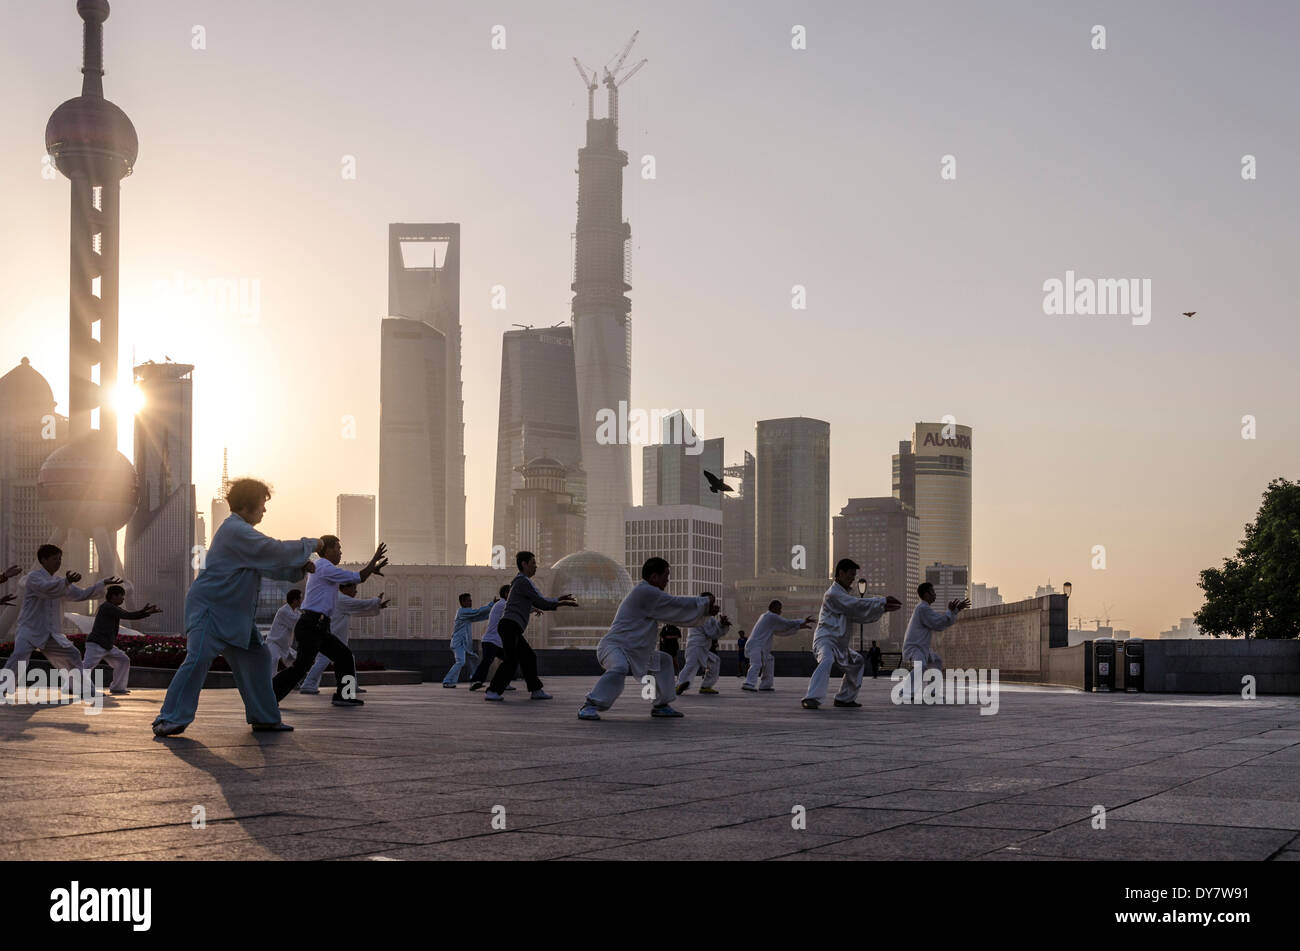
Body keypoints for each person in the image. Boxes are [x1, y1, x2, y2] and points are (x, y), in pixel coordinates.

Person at [152, 479, 316, 736]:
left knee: (259, 658)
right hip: (211, 610)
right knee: (197, 660)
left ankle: (264, 718)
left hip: (235, 616)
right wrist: (313, 544)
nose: (264, 510)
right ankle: (170, 718)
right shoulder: (236, 530)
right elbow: (272, 549)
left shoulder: (240, 533)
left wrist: (298, 568)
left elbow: (268, 564)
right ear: (248, 504)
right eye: (262, 504)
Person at [577, 558, 718, 721]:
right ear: (654, 577)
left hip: (636, 650)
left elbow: (674, 615)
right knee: (619, 667)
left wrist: (705, 612)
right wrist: (705, 602)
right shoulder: (645, 592)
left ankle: (661, 705)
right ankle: (590, 704)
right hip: (614, 647)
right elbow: (675, 603)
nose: (668, 579)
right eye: (666, 575)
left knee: (663, 661)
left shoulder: (652, 598)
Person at [273, 535, 387, 707]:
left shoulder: (325, 569)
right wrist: (373, 562)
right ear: (328, 550)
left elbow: (353, 580)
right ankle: (268, 696)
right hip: (312, 625)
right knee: (301, 668)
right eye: (338, 549)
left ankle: (345, 696)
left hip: (319, 626)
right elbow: (359, 577)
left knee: (344, 656)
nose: (340, 553)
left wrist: (370, 570)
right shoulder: (323, 566)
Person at [2, 546, 121, 698]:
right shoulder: (34, 578)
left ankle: (83, 689)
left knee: (73, 654)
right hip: (29, 629)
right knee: (18, 656)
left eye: (60, 559)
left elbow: (82, 594)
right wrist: (66, 582)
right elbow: (46, 589)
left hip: (51, 632)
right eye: (54, 559)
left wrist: (102, 583)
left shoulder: (61, 582)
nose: (58, 562)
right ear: (44, 560)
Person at [801, 558, 901, 710]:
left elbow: (858, 614)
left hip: (839, 643)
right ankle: (811, 697)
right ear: (840, 573)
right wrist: (882, 601)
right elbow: (855, 605)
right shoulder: (833, 594)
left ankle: (845, 698)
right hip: (825, 640)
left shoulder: (843, 595)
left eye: (854, 576)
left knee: (857, 662)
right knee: (826, 660)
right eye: (850, 575)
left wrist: (883, 608)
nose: (852, 579)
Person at [484, 551, 577, 701]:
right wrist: (561, 603)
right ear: (524, 564)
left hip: (511, 626)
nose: (536, 567)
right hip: (509, 625)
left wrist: (558, 599)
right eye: (533, 563)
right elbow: (540, 602)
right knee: (511, 659)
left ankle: (536, 690)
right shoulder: (522, 581)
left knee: (528, 656)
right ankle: (493, 690)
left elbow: (539, 600)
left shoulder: (521, 582)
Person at [299, 582, 388, 694]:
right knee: (324, 660)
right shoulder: (340, 599)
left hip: (335, 638)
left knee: (343, 659)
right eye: (354, 588)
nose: (356, 591)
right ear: (345, 588)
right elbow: (359, 605)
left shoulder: (340, 600)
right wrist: (376, 601)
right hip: (332, 638)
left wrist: (377, 606)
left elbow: (357, 611)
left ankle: (350, 686)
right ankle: (308, 685)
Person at [81, 584, 161, 695]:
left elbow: (127, 614)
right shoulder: (107, 607)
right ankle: (80, 687)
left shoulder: (113, 608)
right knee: (86, 666)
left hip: (107, 645)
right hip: (97, 644)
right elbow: (127, 615)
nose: (123, 599)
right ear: (113, 596)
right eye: (121, 596)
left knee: (123, 660)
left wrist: (144, 612)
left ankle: (117, 687)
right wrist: (145, 612)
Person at [900, 583, 970, 699]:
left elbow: (940, 622)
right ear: (926, 594)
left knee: (936, 661)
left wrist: (955, 610)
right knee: (920, 666)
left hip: (922, 648)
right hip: (914, 647)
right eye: (932, 592)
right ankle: (905, 692)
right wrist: (951, 611)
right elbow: (938, 623)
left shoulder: (924, 608)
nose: (935, 594)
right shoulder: (922, 608)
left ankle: (932, 692)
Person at [742, 600, 814, 692]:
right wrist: (803, 620)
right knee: (757, 664)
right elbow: (787, 623)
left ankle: (766, 685)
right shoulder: (770, 616)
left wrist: (799, 627)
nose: (781, 611)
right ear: (773, 608)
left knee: (769, 660)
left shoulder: (768, 618)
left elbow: (781, 631)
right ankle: (749, 683)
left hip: (760, 646)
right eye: (779, 608)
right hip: (756, 645)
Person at [675, 602, 728, 695]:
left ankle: (706, 686)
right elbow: (712, 633)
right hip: (696, 646)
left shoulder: (709, 618)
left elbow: (717, 631)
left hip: (702, 648)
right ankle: (679, 685)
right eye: (713, 606)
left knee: (714, 661)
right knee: (691, 666)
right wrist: (721, 625)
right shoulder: (702, 617)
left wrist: (722, 624)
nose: (716, 608)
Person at [443, 592, 493, 687]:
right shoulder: (462, 612)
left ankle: (474, 680)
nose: (470, 602)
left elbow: (479, 616)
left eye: (471, 601)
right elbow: (477, 612)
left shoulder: (467, 615)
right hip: (458, 644)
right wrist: (491, 605)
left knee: (474, 659)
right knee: (460, 662)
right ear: (462, 602)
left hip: (465, 644)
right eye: (468, 601)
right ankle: (447, 681)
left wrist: (492, 611)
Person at [469, 584, 514, 691]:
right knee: (487, 661)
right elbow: (517, 609)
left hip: (496, 641)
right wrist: (533, 608)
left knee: (509, 660)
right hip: (491, 640)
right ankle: (476, 681)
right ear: (506, 594)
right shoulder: (503, 604)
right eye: (511, 592)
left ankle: (503, 682)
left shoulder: (501, 604)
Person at [265, 588, 302, 674]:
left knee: (296, 663)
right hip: (274, 643)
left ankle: (293, 682)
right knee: (273, 662)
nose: (301, 601)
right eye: (300, 598)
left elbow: (300, 619)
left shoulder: (295, 611)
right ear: (295, 600)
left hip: (284, 646)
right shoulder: (283, 611)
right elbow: (298, 621)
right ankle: (271, 685)